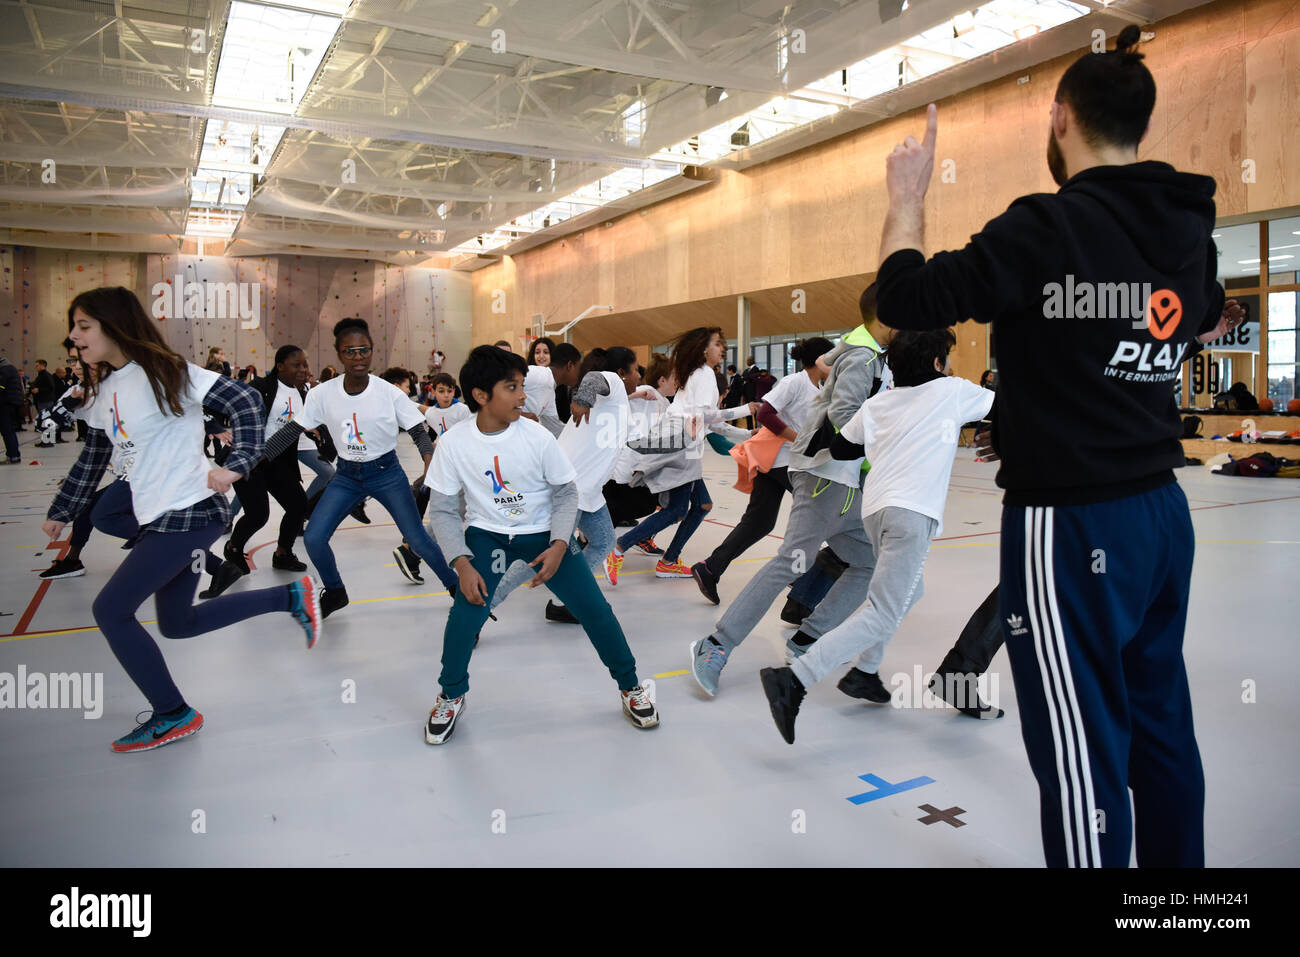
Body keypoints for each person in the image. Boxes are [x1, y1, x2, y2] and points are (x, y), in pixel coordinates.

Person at [867, 26, 1244, 867]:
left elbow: (901, 298)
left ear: (1060, 117)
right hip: (1161, 514)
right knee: (1161, 731)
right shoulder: (1191, 224)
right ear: (1140, 125)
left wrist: (909, 193)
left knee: (1081, 756)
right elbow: (1202, 304)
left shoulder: (1043, 228)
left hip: (1070, 520)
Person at [44, 287, 321, 753]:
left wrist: (241, 460)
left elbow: (244, 401)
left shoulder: (166, 372)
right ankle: (290, 596)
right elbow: (94, 455)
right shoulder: (106, 390)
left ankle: (173, 713)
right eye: (73, 328)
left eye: (83, 326)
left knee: (110, 610)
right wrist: (63, 508)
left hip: (191, 511)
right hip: (161, 516)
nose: (74, 337)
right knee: (177, 624)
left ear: (114, 326)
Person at [758, 328, 994, 742]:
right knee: (885, 610)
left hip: (876, 511)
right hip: (911, 514)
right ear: (938, 363)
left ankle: (865, 672)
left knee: (909, 591)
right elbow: (1008, 407)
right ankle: (794, 678)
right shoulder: (952, 391)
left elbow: (845, 448)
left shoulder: (879, 402)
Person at [421, 346, 659, 743]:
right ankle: (451, 694)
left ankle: (631, 686)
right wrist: (461, 563)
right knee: (466, 615)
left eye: (521, 386)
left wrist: (561, 544)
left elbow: (567, 494)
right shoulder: (454, 444)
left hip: (545, 534)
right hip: (488, 536)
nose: (521, 396)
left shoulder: (536, 436)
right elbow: (443, 511)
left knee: (596, 611)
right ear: (481, 396)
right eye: (511, 387)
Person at [689, 289, 889, 694]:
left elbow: (823, 362)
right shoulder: (862, 356)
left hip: (849, 484)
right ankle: (716, 644)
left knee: (866, 562)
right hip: (823, 479)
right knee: (791, 563)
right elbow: (844, 418)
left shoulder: (862, 347)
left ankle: (806, 639)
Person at [262, 318, 458, 618]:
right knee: (314, 538)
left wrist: (428, 457)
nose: (358, 357)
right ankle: (336, 591)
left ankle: (458, 590)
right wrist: (254, 459)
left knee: (417, 538)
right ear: (339, 354)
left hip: (387, 474)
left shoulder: (388, 393)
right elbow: (293, 430)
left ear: (372, 351)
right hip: (347, 477)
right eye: (350, 351)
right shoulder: (321, 394)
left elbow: (418, 430)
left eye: (363, 350)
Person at [487, 347, 654, 623]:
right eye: (636, 369)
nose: (639, 374)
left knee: (603, 541)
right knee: (540, 556)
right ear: (621, 373)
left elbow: (643, 443)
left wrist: (688, 437)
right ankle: (479, 607)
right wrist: (583, 399)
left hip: (588, 492)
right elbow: (592, 380)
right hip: (568, 488)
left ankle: (564, 603)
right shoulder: (610, 382)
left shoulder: (620, 408)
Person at [692, 337, 834, 603]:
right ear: (820, 359)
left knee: (760, 522)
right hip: (782, 462)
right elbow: (766, 413)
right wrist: (797, 438)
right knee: (819, 514)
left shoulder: (820, 388)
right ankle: (799, 575)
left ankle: (710, 568)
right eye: (833, 356)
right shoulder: (795, 382)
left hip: (782, 463)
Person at [607, 328, 754, 580]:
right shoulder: (704, 374)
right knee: (676, 510)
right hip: (681, 446)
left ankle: (669, 560)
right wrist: (745, 410)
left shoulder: (697, 373)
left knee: (701, 505)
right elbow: (706, 417)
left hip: (682, 443)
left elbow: (709, 422)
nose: (723, 350)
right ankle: (620, 547)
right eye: (718, 344)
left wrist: (748, 436)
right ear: (703, 348)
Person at [200, 345, 314, 598]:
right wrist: (216, 427)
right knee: (258, 514)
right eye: (297, 365)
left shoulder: (303, 392)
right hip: (247, 458)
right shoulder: (258, 388)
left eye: (305, 365)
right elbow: (212, 408)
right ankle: (233, 548)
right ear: (280, 365)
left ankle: (283, 553)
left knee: (297, 505)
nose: (303, 370)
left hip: (278, 461)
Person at [393, 372, 473, 584]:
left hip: (463, 467)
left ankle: (412, 550)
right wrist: (395, 392)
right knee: (453, 513)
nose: (446, 395)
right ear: (433, 391)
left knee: (457, 512)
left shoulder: (462, 409)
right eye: (441, 391)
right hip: (452, 469)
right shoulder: (432, 413)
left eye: (450, 391)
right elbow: (412, 407)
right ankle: (412, 550)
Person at [523, 342, 583, 436]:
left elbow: (555, 429)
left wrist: (584, 433)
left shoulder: (550, 390)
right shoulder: (538, 374)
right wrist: (520, 415)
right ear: (570, 365)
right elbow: (497, 382)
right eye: (579, 369)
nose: (579, 375)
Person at [1, 352, 28, 463]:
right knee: (9, 430)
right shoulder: (9, 368)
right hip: (10, 403)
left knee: (7, 430)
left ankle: (13, 456)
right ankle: (13, 455)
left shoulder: (4, 370)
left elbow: (1, 387)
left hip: (4, 404)